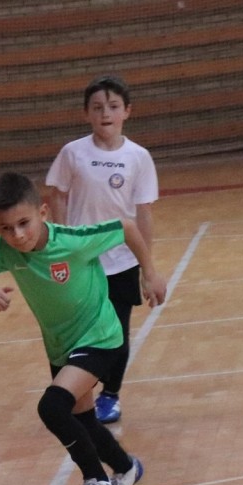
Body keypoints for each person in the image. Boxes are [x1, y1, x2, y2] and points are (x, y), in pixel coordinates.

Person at [0, 172, 166, 485]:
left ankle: (95, 479)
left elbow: (126, 227)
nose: (18, 235)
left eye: (24, 223)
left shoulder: (73, 241)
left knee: (51, 407)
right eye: (7, 228)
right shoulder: (3, 252)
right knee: (85, 422)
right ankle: (126, 468)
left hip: (101, 337)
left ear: (44, 213)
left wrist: (149, 272)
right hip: (61, 346)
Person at [46, 75, 159, 424]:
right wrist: (63, 241)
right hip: (81, 263)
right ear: (86, 114)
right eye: (97, 108)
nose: (105, 113)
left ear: (127, 111)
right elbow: (55, 194)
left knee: (117, 334)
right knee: (78, 331)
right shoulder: (73, 153)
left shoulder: (138, 157)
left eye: (112, 106)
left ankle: (110, 394)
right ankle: (79, 392)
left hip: (121, 261)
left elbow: (143, 213)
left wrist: (148, 268)